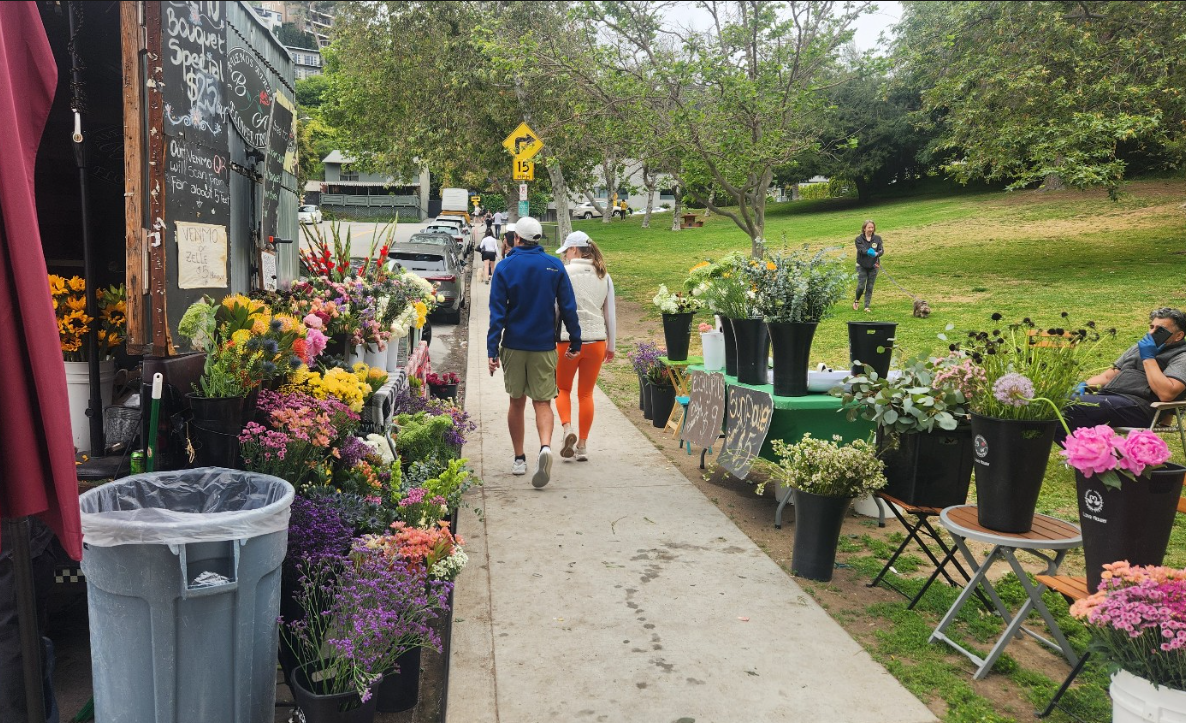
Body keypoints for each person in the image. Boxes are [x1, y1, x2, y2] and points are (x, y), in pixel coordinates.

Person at [488, 216, 582, 488]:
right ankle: (545, 448)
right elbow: (568, 308)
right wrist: (575, 341)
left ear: (516, 238)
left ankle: (519, 458)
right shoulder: (554, 266)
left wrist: (492, 349)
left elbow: (497, 313)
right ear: (539, 239)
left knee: (516, 401)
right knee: (543, 402)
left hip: (514, 345)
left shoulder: (505, 267)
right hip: (544, 346)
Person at [1060, 307, 1186, 442]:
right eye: (1151, 327)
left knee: (1066, 406)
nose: (1151, 332)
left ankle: (1100, 458)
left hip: (1140, 407)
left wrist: (1149, 358)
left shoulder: (1181, 356)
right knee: (1052, 407)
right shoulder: (1139, 347)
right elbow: (1108, 377)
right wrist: (1083, 385)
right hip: (1109, 398)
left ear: (1178, 336)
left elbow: (1166, 393)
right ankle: (1096, 457)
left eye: (1160, 330)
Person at [554, 231, 617, 462]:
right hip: (597, 341)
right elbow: (610, 313)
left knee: (562, 389)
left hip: (567, 341)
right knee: (586, 394)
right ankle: (582, 445)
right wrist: (612, 345)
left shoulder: (565, 273)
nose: (565, 256)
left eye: (566, 251)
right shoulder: (603, 275)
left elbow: (556, 309)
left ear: (573, 250)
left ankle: (567, 427)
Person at [853, 219, 883, 312]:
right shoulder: (859, 239)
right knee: (861, 286)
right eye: (869, 227)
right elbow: (861, 250)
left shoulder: (877, 238)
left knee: (870, 286)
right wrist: (870, 252)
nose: (871, 229)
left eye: (872, 227)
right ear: (864, 228)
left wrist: (877, 254)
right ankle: (856, 300)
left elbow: (881, 250)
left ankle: (866, 306)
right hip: (861, 265)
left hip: (873, 266)